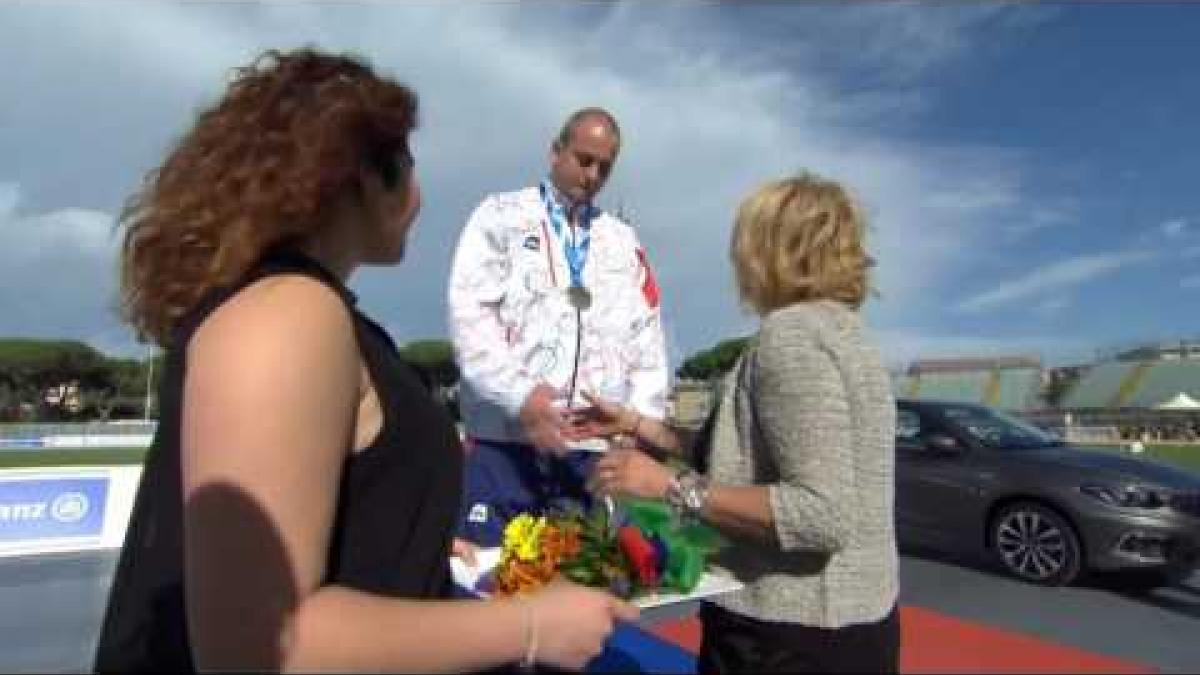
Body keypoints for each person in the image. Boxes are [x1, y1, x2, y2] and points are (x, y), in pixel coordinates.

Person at [93, 48, 635, 674]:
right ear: (362, 177)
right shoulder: (288, 313)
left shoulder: (302, 311)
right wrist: (531, 625)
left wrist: (419, 543)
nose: (420, 191)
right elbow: (261, 645)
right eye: (409, 164)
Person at [584, 173, 901, 673]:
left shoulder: (791, 336)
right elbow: (736, 453)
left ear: (771, 248)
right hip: (855, 628)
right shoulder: (849, 336)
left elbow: (820, 514)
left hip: (788, 636)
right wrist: (631, 421)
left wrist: (670, 486)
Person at [447, 107, 669, 547]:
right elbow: (470, 316)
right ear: (555, 151)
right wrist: (520, 396)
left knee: (587, 593)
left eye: (605, 167)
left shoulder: (622, 241)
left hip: (591, 456)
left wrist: (637, 430)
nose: (592, 175)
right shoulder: (500, 215)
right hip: (503, 445)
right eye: (584, 159)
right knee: (492, 590)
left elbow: (648, 340)